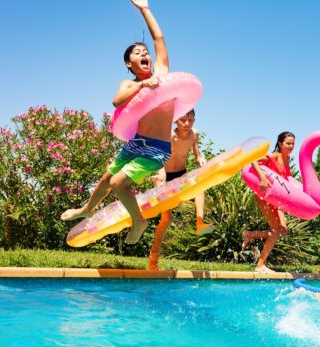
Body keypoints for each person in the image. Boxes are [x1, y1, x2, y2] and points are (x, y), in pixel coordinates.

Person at [60, 0, 176, 244]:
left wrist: (144, 9)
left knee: (117, 183)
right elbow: (116, 101)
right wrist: (143, 84)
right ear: (128, 63)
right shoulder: (131, 85)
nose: (144, 54)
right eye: (137, 53)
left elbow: (159, 38)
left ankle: (139, 220)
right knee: (106, 178)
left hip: (157, 147)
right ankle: (86, 209)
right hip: (136, 143)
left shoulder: (163, 74)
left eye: (145, 52)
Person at [147, 109, 214, 270]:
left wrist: (200, 158)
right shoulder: (169, 135)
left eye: (190, 120)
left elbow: (196, 154)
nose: (187, 124)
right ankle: (153, 259)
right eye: (183, 120)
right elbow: (159, 157)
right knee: (166, 220)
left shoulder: (194, 134)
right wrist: (160, 173)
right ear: (175, 121)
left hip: (181, 175)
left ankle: (200, 222)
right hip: (165, 176)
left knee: (199, 186)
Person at [241, 131, 296, 274]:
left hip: (277, 199)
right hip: (265, 196)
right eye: (288, 143)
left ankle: (250, 235)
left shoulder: (287, 159)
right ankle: (260, 265)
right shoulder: (274, 156)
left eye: (293, 144)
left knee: (282, 230)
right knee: (276, 230)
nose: (291, 146)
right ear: (280, 144)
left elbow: (287, 179)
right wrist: (263, 178)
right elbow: (253, 160)